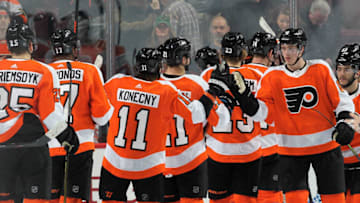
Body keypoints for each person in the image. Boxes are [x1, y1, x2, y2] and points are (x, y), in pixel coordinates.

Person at [229, 27, 357, 203]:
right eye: (283, 48)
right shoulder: (272, 76)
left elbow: (341, 100)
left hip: (326, 147)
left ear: (301, 49)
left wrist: (345, 122)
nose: (286, 53)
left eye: (291, 48)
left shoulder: (320, 68)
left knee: (335, 199)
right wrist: (245, 100)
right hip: (290, 151)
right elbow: (263, 114)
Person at [99, 47, 232, 202]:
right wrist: (213, 90)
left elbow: (97, 111)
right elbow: (197, 115)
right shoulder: (165, 90)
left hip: (114, 161)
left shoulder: (116, 82)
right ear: (159, 67)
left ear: (135, 66)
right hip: (148, 165)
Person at [0, 23, 78, 203]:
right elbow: (50, 115)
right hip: (33, 149)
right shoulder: (45, 71)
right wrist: (67, 136)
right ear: (30, 44)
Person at [159, 37, 233, 203]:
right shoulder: (197, 84)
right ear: (185, 59)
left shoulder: (155, 85)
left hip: (160, 162)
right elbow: (220, 121)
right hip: (192, 161)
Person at [47, 28, 114, 203]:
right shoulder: (90, 71)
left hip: (49, 147)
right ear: (75, 50)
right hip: (80, 147)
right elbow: (102, 118)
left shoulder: (44, 72)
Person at [200, 32, 262, 203]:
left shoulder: (207, 75)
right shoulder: (257, 76)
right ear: (244, 53)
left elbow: (201, 114)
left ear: (221, 53)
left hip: (217, 152)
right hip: (249, 151)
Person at [247, 32, 282, 203]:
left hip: (243, 149)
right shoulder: (277, 77)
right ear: (271, 53)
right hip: (271, 148)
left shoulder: (234, 75)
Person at [335, 43, 360, 203]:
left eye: (347, 69)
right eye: (339, 68)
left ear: (358, 72)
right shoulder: (330, 94)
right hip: (334, 168)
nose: (341, 74)